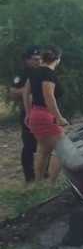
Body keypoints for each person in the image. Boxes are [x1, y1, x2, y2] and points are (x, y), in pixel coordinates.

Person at [24, 46, 68, 184]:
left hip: (35, 113)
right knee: (63, 150)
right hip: (46, 115)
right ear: (58, 59)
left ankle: (38, 183)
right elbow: (48, 96)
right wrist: (59, 117)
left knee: (43, 150)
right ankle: (52, 185)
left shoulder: (34, 72)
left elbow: (26, 93)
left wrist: (28, 113)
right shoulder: (49, 74)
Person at [9, 46, 42, 183]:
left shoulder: (43, 72)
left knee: (45, 143)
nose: (38, 62)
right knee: (29, 145)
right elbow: (12, 93)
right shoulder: (22, 74)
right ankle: (29, 176)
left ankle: (44, 172)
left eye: (39, 59)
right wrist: (29, 90)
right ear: (27, 60)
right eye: (34, 59)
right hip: (28, 112)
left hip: (44, 111)